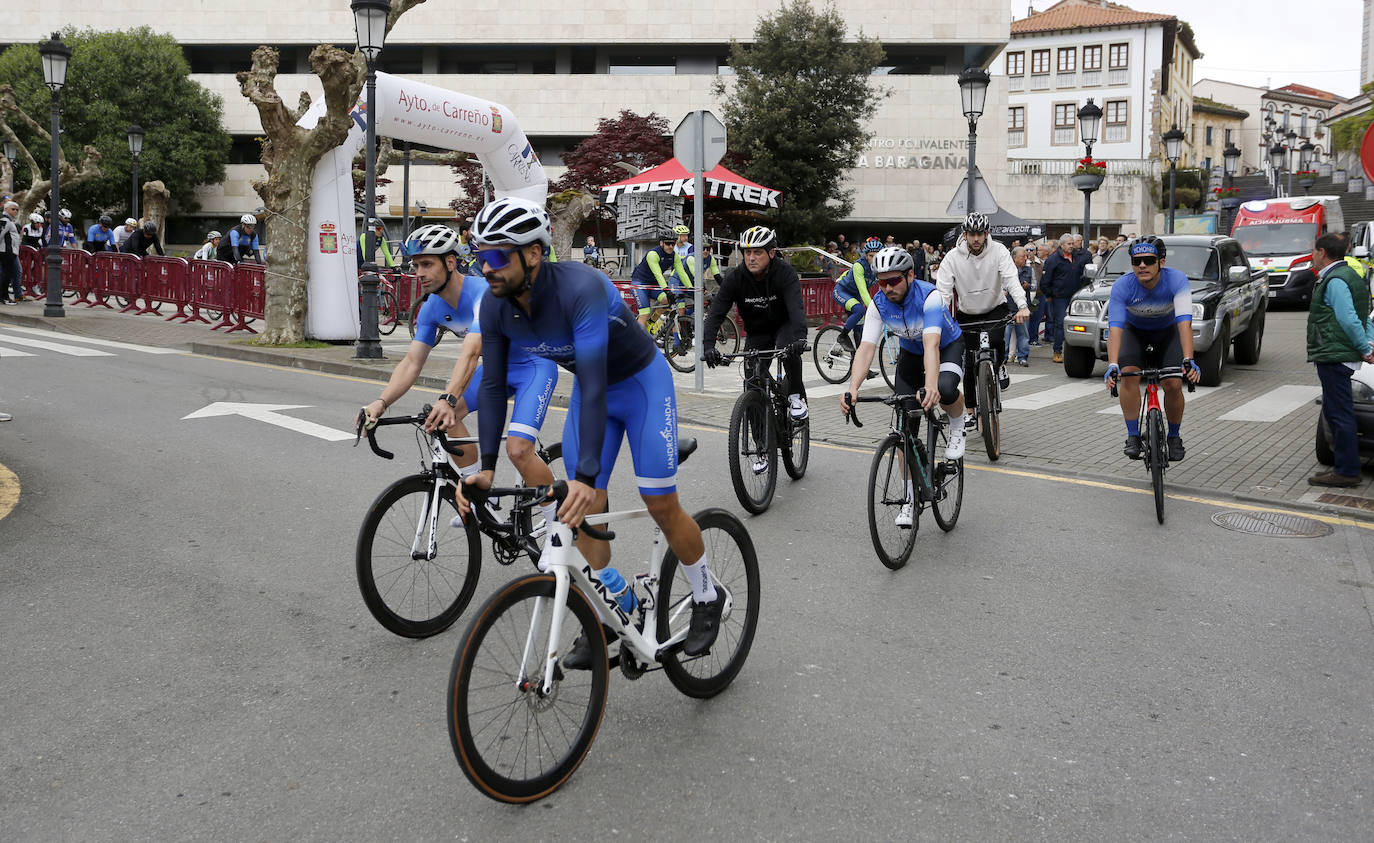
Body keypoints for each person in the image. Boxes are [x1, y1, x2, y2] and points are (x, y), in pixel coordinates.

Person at [455, 196, 723, 666]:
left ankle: (705, 592)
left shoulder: (583, 288)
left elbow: (598, 384)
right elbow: (495, 386)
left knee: (657, 500)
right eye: (480, 256)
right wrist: (488, 467)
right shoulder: (496, 308)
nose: (486, 267)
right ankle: (612, 605)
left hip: (639, 385)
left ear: (533, 254)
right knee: (582, 509)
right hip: (591, 389)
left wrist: (585, 473)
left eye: (497, 256)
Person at [359, 222, 561, 526]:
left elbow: (471, 350)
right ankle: (483, 496)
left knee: (518, 450)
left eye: (427, 264)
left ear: (450, 262)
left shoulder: (485, 293)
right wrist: (380, 403)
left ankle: (558, 524)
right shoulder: (431, 308)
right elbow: (412, 363)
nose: (419, 272)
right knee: (447, 418)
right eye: (415, 265)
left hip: (533, 366)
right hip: (496, 371)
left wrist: (448, 397)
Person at [840, 246, 967, 526]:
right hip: (911, 355)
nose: (887, 288)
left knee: (945, 390)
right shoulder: (878, 303)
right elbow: (866, 349)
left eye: (894, 280)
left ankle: (959, 423)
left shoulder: (930, 297)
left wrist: (931, 385)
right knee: (903, 431)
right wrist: (853, 388)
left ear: (910, 275)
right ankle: (909, 499)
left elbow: (932, 344)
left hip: (946, 347)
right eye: (881, 282)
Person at [1102, 236, 1202, 462]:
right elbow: (1115, 328)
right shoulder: (1122, 286)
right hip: (1134, 333)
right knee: (1128, 377)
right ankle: (1133, 436)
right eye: (1137, 261)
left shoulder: (1177, 280)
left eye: (1148, 260)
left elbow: (1184, 322)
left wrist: (1188, 359)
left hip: (1167, 334)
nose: (1142, 266)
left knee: (1173, 383)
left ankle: (1174, 436)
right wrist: (1113, 364)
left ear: (1161, 262)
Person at [703, 225, 811, 424]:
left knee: (789, 349)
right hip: (757, 331)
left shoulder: (785, 273)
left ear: (771, 253)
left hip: (784, 325)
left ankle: (796, 396)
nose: (751, 257)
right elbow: (716, 312)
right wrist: (708, 346)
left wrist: (801, 338)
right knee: (752, 384)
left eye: (757, 252)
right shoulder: (735, 278)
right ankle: (761, 446)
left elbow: (796, 309)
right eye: (747, 252)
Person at [935, 212, 1029, 428]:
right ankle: (970, 411)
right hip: (967, 313)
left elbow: (1011, 279)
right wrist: (938, 317)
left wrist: (1022, 305)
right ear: (965, 234)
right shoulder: (952, 257)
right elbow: (943, 292)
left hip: (994, 308)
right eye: (971, 234)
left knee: (996, 342)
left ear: (987, 233)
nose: (976, 239)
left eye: (980, 234)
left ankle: (1000, 365)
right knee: (969, 361)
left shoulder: (999, 251)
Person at [1305, 232, 1374, 487]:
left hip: (1335, 355)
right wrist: (1368, 343)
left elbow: (1348, 318)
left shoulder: (1334, 281)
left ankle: (1346, 471)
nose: (1312, 256)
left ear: (1322, 252)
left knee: (1338, 413)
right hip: (1340, 353)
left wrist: (1363, 348)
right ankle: (1344, 468)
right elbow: (1364, 315)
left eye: (1314, 251)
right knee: (1337, 411)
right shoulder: (1353, 276)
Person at [832, 236, 882, 352]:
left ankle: (858, 363)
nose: (874, 259)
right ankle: (842, 336)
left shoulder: (880, 268)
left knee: (859, 329)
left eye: (877, 256)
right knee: (860, 310)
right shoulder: (859, 266)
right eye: (871, 256)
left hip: (855, 296)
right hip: (842, 291)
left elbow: (884, 288)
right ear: (866, 255)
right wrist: (873, 307)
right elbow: (863, 291)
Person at [1040, 233, 1085, 363]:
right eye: (1069, 244)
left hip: (1076, 297)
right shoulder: (1053, 260)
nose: (1072, 246)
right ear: (1061, 245)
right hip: (1060, 297)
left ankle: (1077, 352)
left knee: (1077, 325)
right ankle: (1057, 351)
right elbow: (1045, 280)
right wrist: (1049, 295)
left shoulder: (1078, 257)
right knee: (1060, 324)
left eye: (1072, 243)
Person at [628, 231, 686, 329]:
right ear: (661, 243)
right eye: (668, 243)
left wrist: (691, 288)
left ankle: (651, 324)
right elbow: (658, 274)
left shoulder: (674, 256)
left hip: (653, 284)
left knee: (666, 301)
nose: (671, 246)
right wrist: (667, 290)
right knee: (645, 313)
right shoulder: (653, 254)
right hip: (640, 283)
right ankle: (638, 341)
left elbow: (682, 273)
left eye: (673, 243)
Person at [1005, 246, 1032, 366]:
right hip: (1008, 308)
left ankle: (1022, 357)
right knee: (1005, 335)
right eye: (1023, 256)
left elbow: (1035, 286)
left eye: (1026, 256)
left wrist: (1029, 286)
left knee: (1024, 335)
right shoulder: (1007, 270)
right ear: (1014, 258)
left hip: (1022, 308)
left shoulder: (1029, 270)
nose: (1025, 258)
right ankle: (1003, 357)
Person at [0, 201, 21, 304]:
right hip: (6, 252)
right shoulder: (5, 220)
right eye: (13, 209)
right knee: (6, 275)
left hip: (10, 252)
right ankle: (4, 297)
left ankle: (5, 296)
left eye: (17, 209)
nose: (15, 211)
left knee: (8, 274)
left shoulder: (9, 221)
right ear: (6, 209)